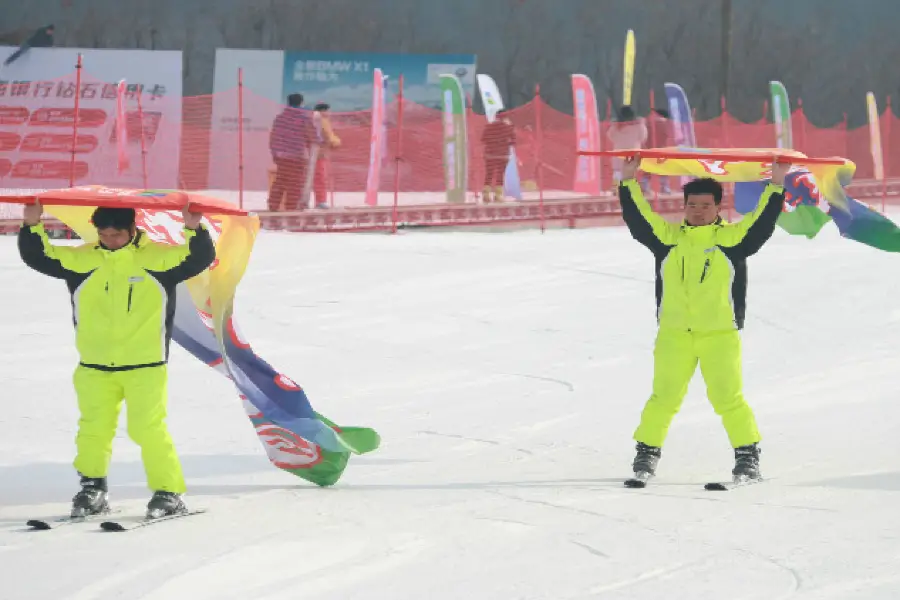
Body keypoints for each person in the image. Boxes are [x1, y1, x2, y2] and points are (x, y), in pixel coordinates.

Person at [17, 201, 216, 518]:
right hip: (94, 367)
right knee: (93, 430)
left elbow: (199, 257)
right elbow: (39, 256)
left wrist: (193, 228)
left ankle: (168, 492)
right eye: (104, 234)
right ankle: (92, 488)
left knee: (148, 429)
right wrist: (32, 225)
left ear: (132, 229)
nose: (110, 240)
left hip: (145, 366)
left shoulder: (157, 259)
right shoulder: (82, 260)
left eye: (116, 234)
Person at [617, 154, 788, 484]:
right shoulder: (668, 239)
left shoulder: (731, 240)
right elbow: (638, 219)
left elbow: (762, 223)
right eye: (692, 204)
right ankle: (647, 452)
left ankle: (747, 457)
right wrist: (627, 181)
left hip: (719, 335)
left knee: (728, 398)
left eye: (705, 205)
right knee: (663, 397)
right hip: (674, 335)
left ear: (718, 208)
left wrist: (776, 185)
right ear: (684, 206)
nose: (698, 210)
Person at [267, 93, 315, 214]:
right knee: (295, 183)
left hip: (281, 156)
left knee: (280, 180)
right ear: (301, 103)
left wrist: (275, 153)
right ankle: (291, 208)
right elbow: (313, 136)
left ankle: (273, 205)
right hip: (297, 156)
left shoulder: (280, 118)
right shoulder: (304, 118)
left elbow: (273, 137)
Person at [607, 106, 647, 191]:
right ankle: (631, 191)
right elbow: (643, 138)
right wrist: (642, 123)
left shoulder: (615, 127)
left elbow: (610, 137)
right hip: (633, 154)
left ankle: (615, 189)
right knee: (631, 174)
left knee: (617, 172)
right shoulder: (638, 126)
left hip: (619, 154)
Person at [480, 110, 516, 203]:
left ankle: (486, 195)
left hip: (490, 155)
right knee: (500, 174)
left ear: (496, 117)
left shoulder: (489, 127)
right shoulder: (508, 127)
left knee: (489, 174)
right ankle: (498, 195)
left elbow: (483, 139)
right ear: (505, 118)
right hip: (502, 155)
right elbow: (513, 141)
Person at [310, 102, 341, 209]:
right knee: (320, 177)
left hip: (311, 154)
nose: (329, 113)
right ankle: (320, 201)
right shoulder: (322, 121)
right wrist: (337, 142)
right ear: (323, 111)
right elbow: (330, 137)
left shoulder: (312, 119)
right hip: (319, 154)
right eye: (328, 110)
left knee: (313, 178)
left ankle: (313, 200)